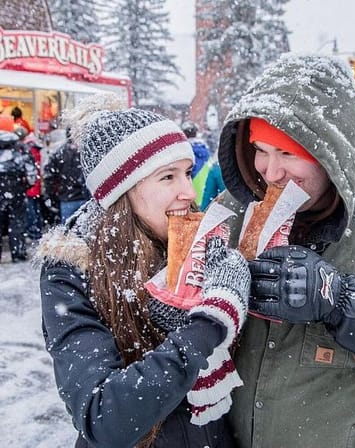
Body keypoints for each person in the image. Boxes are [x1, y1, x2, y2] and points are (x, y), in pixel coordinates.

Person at [36, 97, 250, 447]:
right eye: (168, 177)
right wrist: (209, 322)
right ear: (122, 192)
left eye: (187, 173)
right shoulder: (71, 272)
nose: (187, 190)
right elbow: (103, 416)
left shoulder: (200, 246)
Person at [215, 54, 355, 448]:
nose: (270, 171)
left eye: (288, 154)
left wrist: (343, 302)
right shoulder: (230, 214)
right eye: (260, 149)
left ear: (331, 155)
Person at [0, 120, 36, 262]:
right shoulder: (20, 151)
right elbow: (32, 174)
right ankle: (18, 253)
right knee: (17, 223)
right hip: (17, 193)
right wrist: (25, 187)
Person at [42, 128, 92, 222]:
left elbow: (49, 177)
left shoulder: (59, 153)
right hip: (84, 197)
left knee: (67, 232)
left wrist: (50, 197)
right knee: (86, 231)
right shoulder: (85, 150)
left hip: (67, 198)